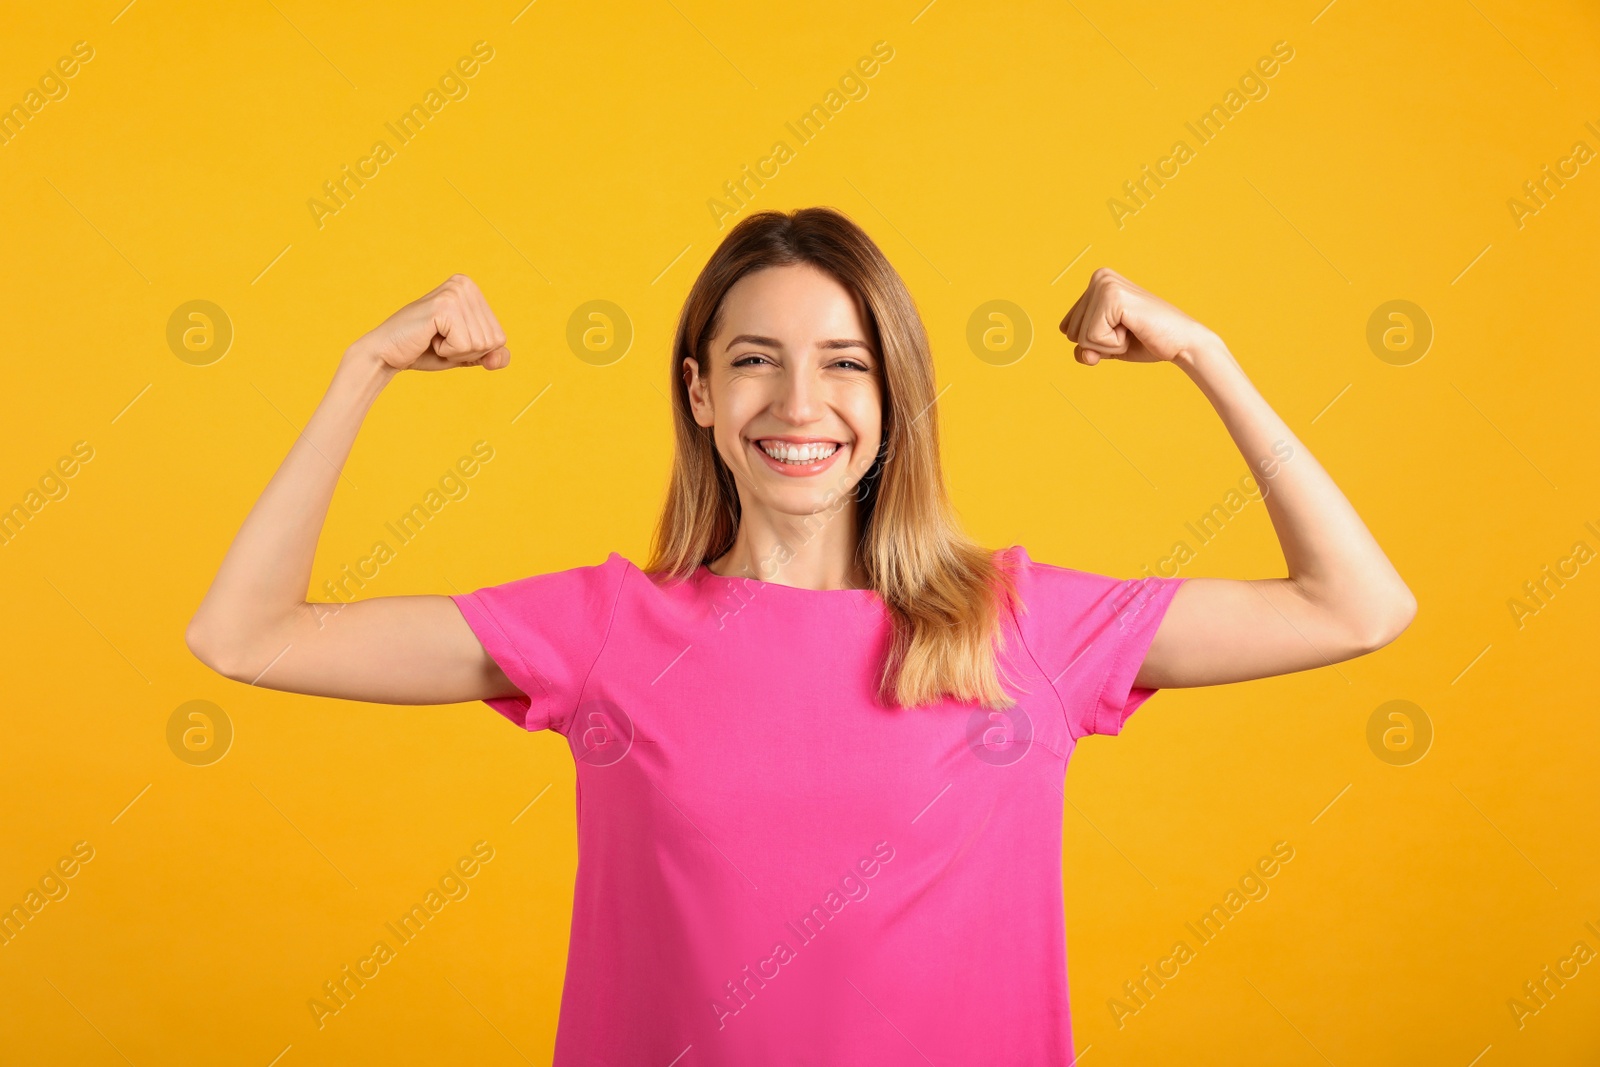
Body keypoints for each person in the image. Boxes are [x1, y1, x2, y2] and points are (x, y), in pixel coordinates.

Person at [186, 206, 1415, 1064]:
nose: (800, 404)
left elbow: (1356, 605)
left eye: (846, 363)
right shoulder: (607, 631)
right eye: (756, 360)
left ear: (894, 395)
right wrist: (365, 367)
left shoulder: (1021, 624)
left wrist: (1206, 354)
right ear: (700, 393)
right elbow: (248, 636)